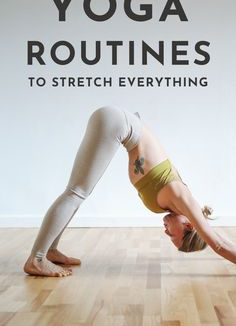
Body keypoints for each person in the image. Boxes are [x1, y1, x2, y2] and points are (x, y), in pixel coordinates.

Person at [24, 105, 236, 277]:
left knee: (78, 194)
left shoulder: (180, 205)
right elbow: (218, 244)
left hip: (119, 123)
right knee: (76, 192)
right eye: (173, 235)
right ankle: (37, 258)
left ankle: (50, 251)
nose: (166, 232)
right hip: (117, 123)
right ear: (188, 225)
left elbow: (217, 237)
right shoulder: (184, 199)